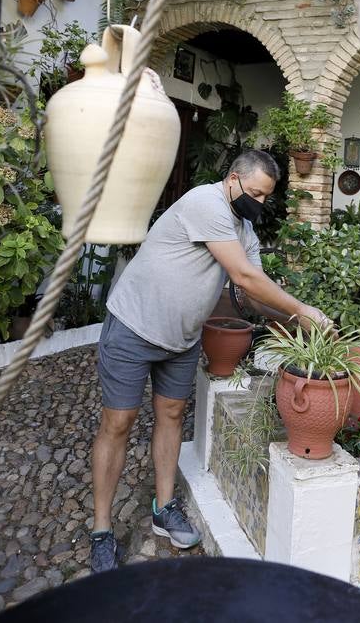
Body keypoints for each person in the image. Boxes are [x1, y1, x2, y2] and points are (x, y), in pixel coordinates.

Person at [90, 148, 333, 573]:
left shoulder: (244, 229)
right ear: (233, 179)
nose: (258, 203)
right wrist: (303, 309)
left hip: (181, 340)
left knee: (171, 414)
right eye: (254, 193)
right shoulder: (205, 202)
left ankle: (164, 508)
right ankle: (102, 530)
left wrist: (299, 322)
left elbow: (252, 295)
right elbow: (242, 276)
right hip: (133, 326)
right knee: (119, 422)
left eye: (265, 197)